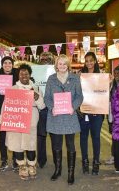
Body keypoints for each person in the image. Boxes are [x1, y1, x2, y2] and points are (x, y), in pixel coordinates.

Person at [1, 64, 45, 180]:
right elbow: (5, 106)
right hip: (16, 121)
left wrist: (37, 98)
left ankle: (31, 165)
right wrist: (2, 119)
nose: (24, 76)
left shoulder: (36, 88)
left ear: (30, 75)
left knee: (30, 144)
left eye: (26, 73)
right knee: (17, 145)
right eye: (21, 74)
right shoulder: (12, 89)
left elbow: (42, 106)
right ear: (18, 75)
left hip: (31, 120)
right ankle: (22, 166)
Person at [44, 54, 83, 185]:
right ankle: (58, 169)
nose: (62, 66)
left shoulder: (75, 78)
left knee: (70, 145)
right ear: (56, 65)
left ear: (68, 65)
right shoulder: (51, 79)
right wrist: (51, 108)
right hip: (55, 116)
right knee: (56, 145)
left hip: (70, 116)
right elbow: (47, 98)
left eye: (64, 64)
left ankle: (70, 172)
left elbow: (79, 96)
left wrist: (74, 106)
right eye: (60, 64)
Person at [0, 56, 19, 172]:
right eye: (5, 63)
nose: (7, 65)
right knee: (2, 137)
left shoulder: (17, 75)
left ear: (12, 64)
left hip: (14, 109)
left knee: (14, 136)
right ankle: (4, 160)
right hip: (1, 110)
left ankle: (15, 160)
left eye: (9, 63)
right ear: (2, 65)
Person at [79, 52, 104, 175]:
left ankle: (96, 162)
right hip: (84, 112)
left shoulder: (101, 76)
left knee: (96, 137)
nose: (88, 63)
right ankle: (85, 161)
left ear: (95, 61)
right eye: (86, 61)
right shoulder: (81, 75)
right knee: (83, 137)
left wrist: (108, 83)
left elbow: (104, 93)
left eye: (91, 60)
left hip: (97, 113)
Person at [36, 52, 54, 168]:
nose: (45, 60)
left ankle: (57, 159)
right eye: (43, 59)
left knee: (55, 136)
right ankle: (41, 160)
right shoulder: (35, 72)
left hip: (53, 107)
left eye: (48, 59)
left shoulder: (56, 72)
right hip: (41, 107)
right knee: (41, 136)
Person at [105, 65, 119, 165]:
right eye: (115, 73)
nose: (116, 75)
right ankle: (114, 156)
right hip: (112, 115)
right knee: (113, 137)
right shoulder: (112, 84)